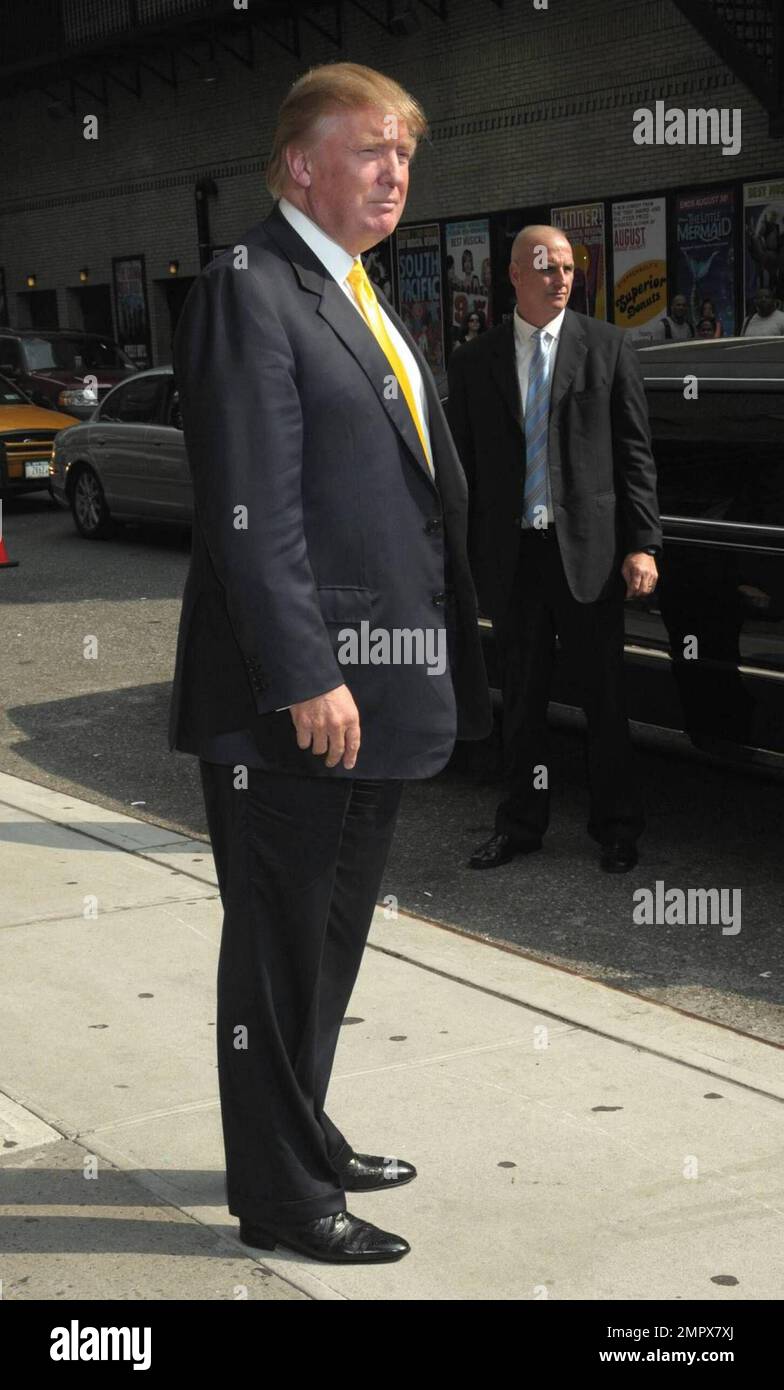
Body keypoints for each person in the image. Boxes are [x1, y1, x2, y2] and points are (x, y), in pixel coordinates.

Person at [168, 62, 491, 1265]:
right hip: (294, 701)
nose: (395, 171)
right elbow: (253, 508)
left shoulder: (352, 288)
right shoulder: (250, 287)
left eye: (405, 152)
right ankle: (285, 1197)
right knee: (276, 947)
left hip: (377, 684)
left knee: (330, 940)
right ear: (299, 163)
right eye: (370, 149)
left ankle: (300, 1131)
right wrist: (307, 672)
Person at [446, 225, 662, 874]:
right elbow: (463, 472)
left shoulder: (607, 347)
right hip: (516, 562)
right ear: (514, 275)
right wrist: (455, 555)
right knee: (523, 703)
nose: (560, 277)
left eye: (569, 266)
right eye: (546, 266)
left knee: (606, 701)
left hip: (591, 559)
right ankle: (519, 825)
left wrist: (644, 544)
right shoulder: (475, 362)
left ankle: (617, 829)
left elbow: (635, 457)